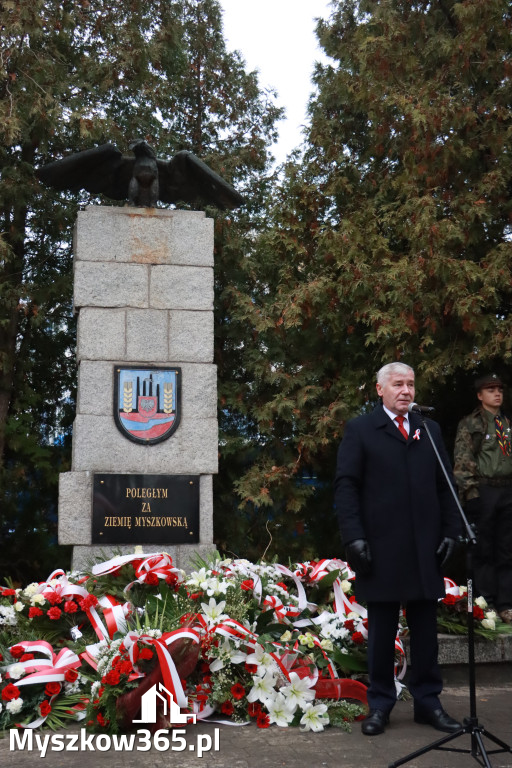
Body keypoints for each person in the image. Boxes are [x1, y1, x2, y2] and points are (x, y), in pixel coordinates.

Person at [335, 362, 462, 736]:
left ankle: (428, 703)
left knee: (425, 629)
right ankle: (380, 704)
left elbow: (446, 486)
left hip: (425, 547)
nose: (406, 391)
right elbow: (346, 486)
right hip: (381, 546)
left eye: (410, 384)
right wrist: (353, 536)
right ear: (380, 390)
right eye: (398, 384)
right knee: (382, 631)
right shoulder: (361, 429)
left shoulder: (429, 428)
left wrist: (452, 531)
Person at [453, 373, 512, 623]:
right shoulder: (471, 424)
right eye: (490, 389)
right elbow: (462, 461)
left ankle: (506, 604)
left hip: (507, 490)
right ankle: (485, 602)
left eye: (499, 389)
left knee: (507, 549)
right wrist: (471, 494)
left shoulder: (507, 423)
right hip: (484, 490)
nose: (497, 393)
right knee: (483, 549)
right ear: (480, 395)